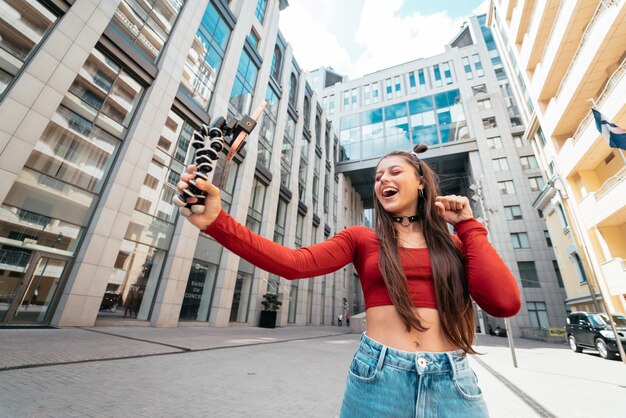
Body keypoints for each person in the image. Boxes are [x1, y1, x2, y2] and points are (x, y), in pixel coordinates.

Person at [178, 143, 521, 417]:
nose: (383, 179)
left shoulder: (458, 244)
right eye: (377, 176)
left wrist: (467, 225)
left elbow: (503, 303)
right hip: (379, 379)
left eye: (395, 171)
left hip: (453, 384)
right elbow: (294, 263)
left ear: (420, 181)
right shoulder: (362, 238)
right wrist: (217, 222)